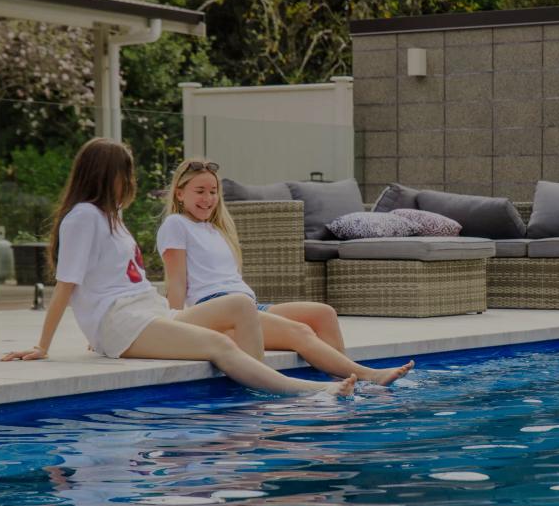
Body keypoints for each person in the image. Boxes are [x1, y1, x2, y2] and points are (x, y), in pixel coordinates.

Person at [0, 138, 356, 398]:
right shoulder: (82, 218)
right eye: (127, 173)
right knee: (218, 344)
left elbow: (112, 278)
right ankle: (305, 393)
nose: (131, 181)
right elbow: (67, 285)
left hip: (148, 311)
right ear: (107, 175)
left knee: (241, 305)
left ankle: (259, 394)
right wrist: (43, 345)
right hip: (122, 324)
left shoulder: (110, 217)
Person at [157, 158, 414, 386]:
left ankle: (345, 381)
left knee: (323, 314)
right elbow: (176, 280)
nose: (208, 199)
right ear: (180, 194)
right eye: (199, 191)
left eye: (213, 191)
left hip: (250, 306)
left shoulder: (215, 229)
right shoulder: (175, 224)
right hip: (218, 312)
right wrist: (176, 328)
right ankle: (368, 376)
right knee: (299, 332)